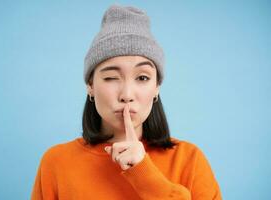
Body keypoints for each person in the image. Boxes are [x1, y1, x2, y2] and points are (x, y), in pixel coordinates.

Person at [31, 4, 222, 200]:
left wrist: (144, 173)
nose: (127, 94)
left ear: (157, 87)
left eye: (142, 78)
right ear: (90, 85)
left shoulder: (189, 160)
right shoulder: (56, 162)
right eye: (111, 77)